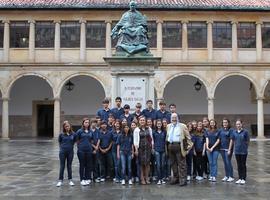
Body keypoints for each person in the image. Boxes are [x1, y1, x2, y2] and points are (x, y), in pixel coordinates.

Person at [166, 113, 193, 186]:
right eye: (172, 118)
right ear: (170, 118)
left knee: (182, 164)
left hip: (179, 146)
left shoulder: (182, 126)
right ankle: (176, 178)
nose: (174, 119)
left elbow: (188, 137)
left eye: (175, 117)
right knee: (173, 164)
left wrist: (189, 148)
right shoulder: (168, 126)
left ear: (177, 118)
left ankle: (183, 179)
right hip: (170, 146)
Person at [133, 116, 154, 185]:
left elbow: (151, 139)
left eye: (143, 120)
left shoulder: (149, 129)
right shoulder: (136, 130)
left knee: (147, 164)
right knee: (141, 164)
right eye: (141, 120)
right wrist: (136, 150)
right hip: (140, 149)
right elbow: (135, 141)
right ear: (139, 121)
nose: (142, 121)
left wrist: (152, 147)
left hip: (148, 149)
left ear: (145, 121)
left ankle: (147, 178)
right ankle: (142, 178)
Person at [56, 121, 76, 187]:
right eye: (66, 126)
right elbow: (59, 141)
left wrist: (70, 147)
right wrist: (62, 148)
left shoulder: (73, 134)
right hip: (62, 152)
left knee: (69, 166)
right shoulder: (61, 134)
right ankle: (60, 180)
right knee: (62, 166)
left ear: (70, 126)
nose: (67, 127)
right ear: (64, 127)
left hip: (70, 152)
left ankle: (70, 179)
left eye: (68, 126)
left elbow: (74, 141)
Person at [76, 118, 93, 186]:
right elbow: (77, 141)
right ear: (83, 123)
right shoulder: (79, 131)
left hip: (89, 150)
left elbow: (91, 140)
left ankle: (87, 178)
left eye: (88, 122)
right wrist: (80, 147)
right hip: (81, 151)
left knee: (88, 165)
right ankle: (82, 179)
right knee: (82, 164)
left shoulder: (90, 131)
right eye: (85, 122)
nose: (87, 123)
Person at [232, 119, 250, 185]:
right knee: (238, 165)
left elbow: (247, 141)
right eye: (237, 124)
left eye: (239, 124)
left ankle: (243, 178)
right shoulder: (234, 132)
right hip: (237, 151)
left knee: (243, 165)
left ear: (241, 124)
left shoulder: (245, 132)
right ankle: (240, 178)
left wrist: (245, 148)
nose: (238, 125)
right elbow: (233, 140)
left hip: (243, 151)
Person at [219, 118, 234, 182]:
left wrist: (229, 149)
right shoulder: (221, 130)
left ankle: (231, 176)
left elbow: (231, 140)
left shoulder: (231, 130)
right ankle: (226, 175)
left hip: (228, 148)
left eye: (226, 122)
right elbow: (219, 139)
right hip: (222, 148)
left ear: (228, 123)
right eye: (223, 122)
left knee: (228, 162)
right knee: (225, 163)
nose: (224, 124)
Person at [153, 119, 166, 185]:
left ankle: (162, 178)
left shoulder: (164, 132)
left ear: (161, 125)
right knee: (158, 165)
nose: (159, 125)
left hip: (163, 150)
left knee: (163, 165)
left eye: (160, 124)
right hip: (157, 150)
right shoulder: (154, 132)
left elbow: (165, 141)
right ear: (156, 125)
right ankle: (158, 179)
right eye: (157, 124)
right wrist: (153, 149)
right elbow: (153, 141)